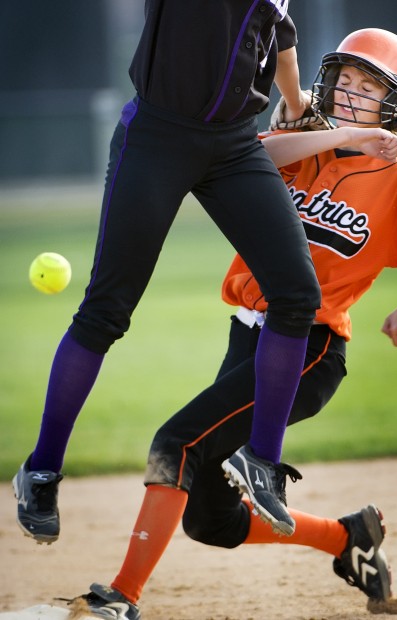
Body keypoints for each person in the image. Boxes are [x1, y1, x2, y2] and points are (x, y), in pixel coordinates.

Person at [65, 28, 397, 620]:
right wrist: (333, 132)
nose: (351, 94)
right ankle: (348, 537)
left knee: (175, 443)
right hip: (245, 337)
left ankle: (121, 599)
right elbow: (250, 152)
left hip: (309, 348)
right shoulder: (299, 145)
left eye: (370, 88)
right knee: (210, 518)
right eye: (345, 79)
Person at [12, 1, 326, 544]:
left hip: (233, 144)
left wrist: (297, 105)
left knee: (297, 295)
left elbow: (280, 34)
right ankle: (40, 471)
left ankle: (262, 462)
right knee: (106, 312)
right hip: (158, 137)